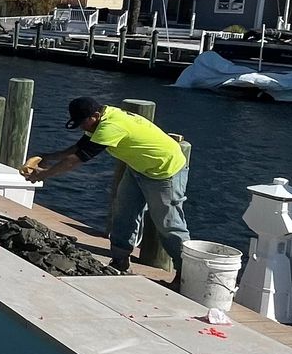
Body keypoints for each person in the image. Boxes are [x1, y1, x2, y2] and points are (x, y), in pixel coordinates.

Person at [24, 96, 190, 275]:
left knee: (168, 224)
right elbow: (81, 146)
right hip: (139, 168)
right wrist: (48, 157)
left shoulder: (111, 126)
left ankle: (186, 274)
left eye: (83, 123)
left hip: (165, 170)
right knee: (123, 211)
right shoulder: (102, 117)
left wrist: (43, 174)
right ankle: (120, 260)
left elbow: (77, 159)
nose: (82, 127)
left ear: (95, 115)